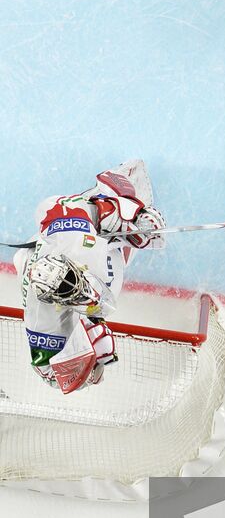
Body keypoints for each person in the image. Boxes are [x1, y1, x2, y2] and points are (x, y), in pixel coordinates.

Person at [14, 159, 166, 394]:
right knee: (100, 330)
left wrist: (124, 216)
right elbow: (55, 375)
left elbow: (52, 205)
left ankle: (111, 220)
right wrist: (93, 364)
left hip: (54, 251)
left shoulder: (69, 239)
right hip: (69, 288)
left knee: (111, 217)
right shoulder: (50, 340)